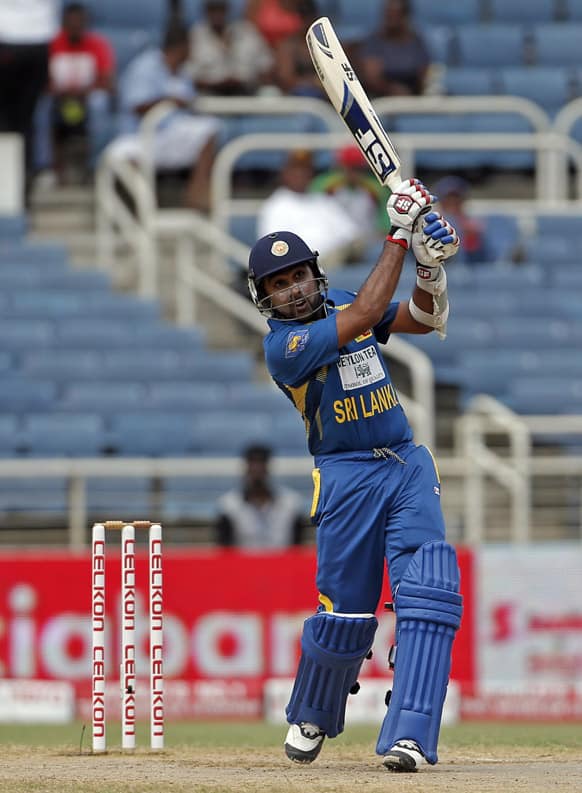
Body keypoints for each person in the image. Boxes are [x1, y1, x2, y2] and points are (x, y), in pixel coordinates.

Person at [247, 177, 463, 772]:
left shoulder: (343, 298)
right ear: (266, 298)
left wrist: (428, 267)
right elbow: (370, 310)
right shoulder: (285, 345)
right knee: (345, 613)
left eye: (297, 276)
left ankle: (412, 734)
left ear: (315, 273)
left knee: (430, 589)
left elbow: (421, 319)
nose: (292, 291)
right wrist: (399, 231)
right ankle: (314, 709)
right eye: (278, 284)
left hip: (405, 464)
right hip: (345, 475)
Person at [109, 21, 221, 211]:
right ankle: (145, 209)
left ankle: (197, 192)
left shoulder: (183, 73)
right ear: (182, 46)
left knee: (210, 128)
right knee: (123, 158)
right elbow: (136, 106)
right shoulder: (146, 66)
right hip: (139, 136)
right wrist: (168, 101)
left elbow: (188, 106)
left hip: (170, 136)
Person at [33, 2, 116, 183]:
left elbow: (108, 83)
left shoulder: (98, 44)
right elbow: (39, 81)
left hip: (87, 99)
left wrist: (84, 91)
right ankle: (45, 168)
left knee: (99, 104)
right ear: (63, 24)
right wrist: (59, 91)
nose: (76, 28)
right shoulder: (51, 45)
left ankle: (96, 167)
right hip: (58, 100)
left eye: (80, 24)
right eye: (72, 24)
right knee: (41, 107)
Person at [257, 149, 365, 265]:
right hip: (303, 267)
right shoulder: (275, 206)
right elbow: (275, 250)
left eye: (305, 169)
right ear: (285, 172)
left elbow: (352, 234)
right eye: (296, 169)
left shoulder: (324, 201)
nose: (301, 174)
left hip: (339, 262)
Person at [0, 0, 59, 201]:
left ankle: (16, 189)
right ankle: (21, 189)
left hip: (11, 38)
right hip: (38, 43)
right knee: (23, 122)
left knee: (13, 122)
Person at [215, 444, 306, 548]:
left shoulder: (291, 503)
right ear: (246, 467)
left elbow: (297, 547)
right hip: (242, 563)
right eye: (253, 464)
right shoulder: (229, 505)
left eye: (261, 463)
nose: (257, 470)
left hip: (282, 562)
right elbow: (225, 549)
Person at [189, 0, 274, 96]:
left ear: (227, 9)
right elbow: (189, 75)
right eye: (212, 9)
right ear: (205, 11)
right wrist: (217, 83)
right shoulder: (195, 35)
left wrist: (247, 80)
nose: (217, 14)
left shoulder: (247, 32)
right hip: (210, 96)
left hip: (248, 93)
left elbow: (267, 66)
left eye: (220, 9)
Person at [309, 144, 389, 238]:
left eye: (357, 169)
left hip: (366, 240)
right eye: (349, 168)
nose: (353, 173)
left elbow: (385, 225)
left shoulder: (376, 189)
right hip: (333, 239)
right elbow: (312, 215)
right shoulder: (323, 186)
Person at [359, 0, 430, 97]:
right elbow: (372, 77)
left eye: (395, 15)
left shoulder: (416, 42)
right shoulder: (375, 42)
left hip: (411, 97)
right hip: (381, 100)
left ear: (405, 16)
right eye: (388, 14)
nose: (391, 19)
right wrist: (392, 90)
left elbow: (424, 74)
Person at [433, 175, 494, 264]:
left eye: (456, 198)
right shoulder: (432, 223)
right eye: (448, 199)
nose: (452, 202)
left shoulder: (473, 225)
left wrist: (472, 236)